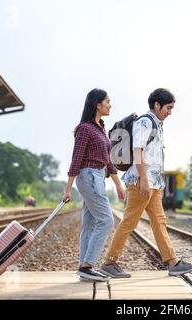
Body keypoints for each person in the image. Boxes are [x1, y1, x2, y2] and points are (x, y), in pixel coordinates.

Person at [100, 88, 192, 278]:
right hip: (141, 182)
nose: (169, 112)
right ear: (157, 105)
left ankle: (173, 262)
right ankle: (109, 262)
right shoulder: (145, 122)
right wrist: (143, 180)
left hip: (154, 183)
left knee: (159, 222)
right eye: (168, 108)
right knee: (129, 221)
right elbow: (138, 151)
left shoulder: (157, 123)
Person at [63, 88, 125, 281]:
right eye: (107, 101)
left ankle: (84, 268)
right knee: (106, 221)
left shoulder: (100, 128)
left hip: (97, 176)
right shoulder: (85, 129)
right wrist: (68, 189)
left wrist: (118, 185)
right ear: (97, 104)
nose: (110, 104)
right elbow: (76, 159)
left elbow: (108, 161)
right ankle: (88, 265)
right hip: (88, 176)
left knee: (89, 224)